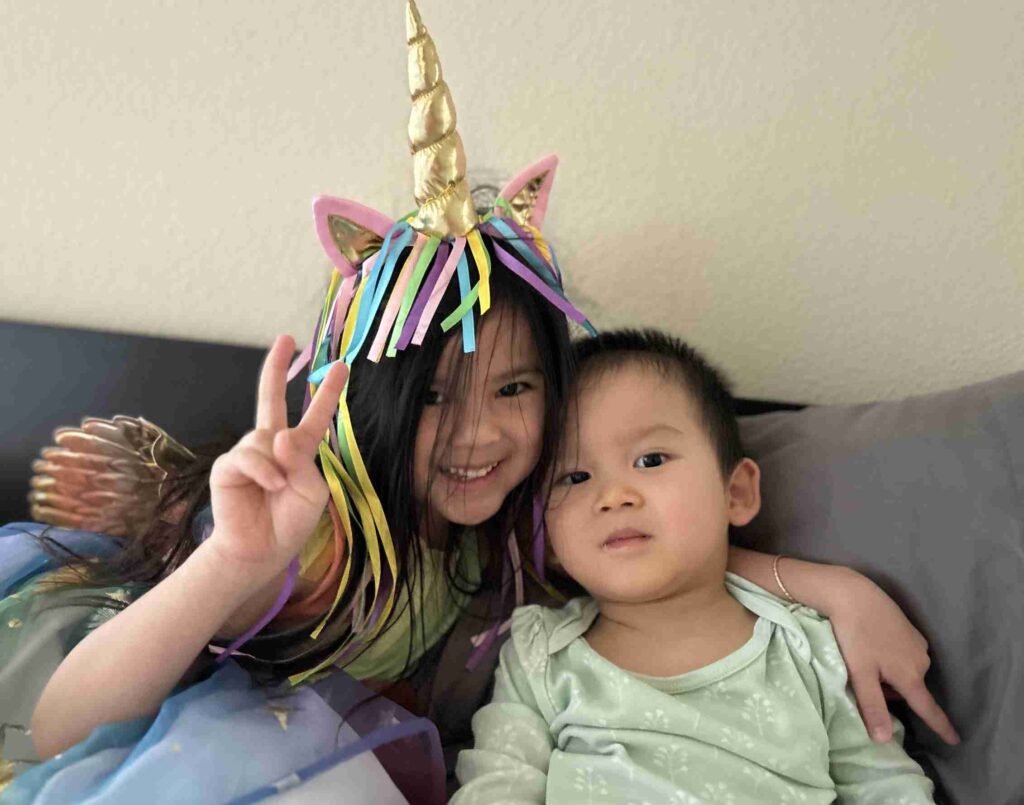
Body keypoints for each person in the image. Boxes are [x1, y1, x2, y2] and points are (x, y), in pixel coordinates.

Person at [0, 2, 955, 801]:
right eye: (434, 397)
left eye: (515, 388)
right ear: (380, 393)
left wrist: (834, 587)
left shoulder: (530, 534)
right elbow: (57, 728)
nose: (478, 434)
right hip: (218, 741)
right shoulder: (320, 532)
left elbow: (662, 543)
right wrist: (234, 560)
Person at [452, 329, 938, 803]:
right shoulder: (542, 657)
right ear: (547, 540)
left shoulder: (808, 647)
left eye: (650, 459)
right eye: (574, 477)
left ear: (736, 493)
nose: (613, 495)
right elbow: (497, 785)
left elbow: (885, 786)